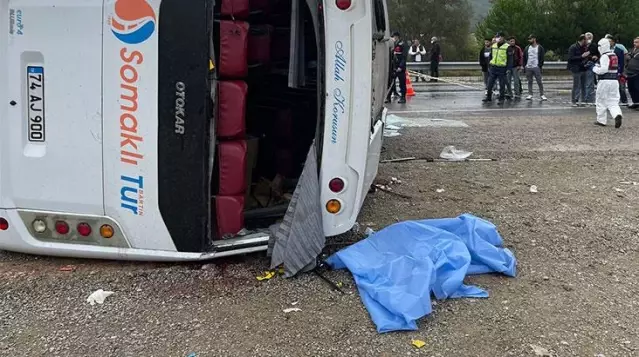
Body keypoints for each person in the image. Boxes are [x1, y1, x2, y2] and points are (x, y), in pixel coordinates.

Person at [592, 38, 622, 128]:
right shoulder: (614, 55)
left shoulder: (605, 56)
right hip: (614, 81)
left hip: (604, 81)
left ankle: (601, 120)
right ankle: (617, 114)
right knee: (613, 101)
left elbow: (603, 70)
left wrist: (593, 68)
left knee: (601, 101)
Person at [483, 33, 509, 104]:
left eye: (499, 37)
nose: (498, 38)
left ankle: (501, 99)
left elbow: (510, 59)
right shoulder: (494, 46)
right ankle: (488, 98)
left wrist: (508, 69)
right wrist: (490, 65)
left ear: (503, 38)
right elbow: (491, 56)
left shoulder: (507, 46)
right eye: (497, 37)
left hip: (502, 68)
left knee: (502, 84)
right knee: (490, 84)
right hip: (493, 67)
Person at [386, 31, 408, 104]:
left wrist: (401, 67)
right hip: (393, 66)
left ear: (397, 37)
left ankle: (403, 97)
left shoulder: (402, 45)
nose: (394, 38)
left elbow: (404, 57)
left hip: (400, 67)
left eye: (395, 37)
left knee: (402, 83)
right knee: (390, 82)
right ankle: (388, 97)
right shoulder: (392, 45)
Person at [523, 34, 547, 101]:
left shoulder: (540, 47)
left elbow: (542, 57)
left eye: (530, 39)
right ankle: (530, 94)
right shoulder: (527, 48)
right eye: (529, 39)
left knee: (539, 81)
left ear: (534, 39)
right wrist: (525, 65)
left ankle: (542, 94)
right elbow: (524, 57)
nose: (529, 40)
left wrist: (539, 66)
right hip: (528, 67)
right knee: (529, 81)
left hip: (536, 67)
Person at [567, 34, 589, 106]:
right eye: (586, 40)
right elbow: (570, 58)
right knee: (576, 85)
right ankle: (574, 100)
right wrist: (581, 56)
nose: (587, 41)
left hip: (583, 68)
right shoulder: (573, 47)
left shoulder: (585, 47)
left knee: (584, 85)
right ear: (583, 40)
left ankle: (583, 101)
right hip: (576, 69)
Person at [606, 35, 628, 105]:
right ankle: (613, 101)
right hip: (609, 71)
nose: (608, 43)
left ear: (613, 42)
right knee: (611, 88)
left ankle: (624, 100)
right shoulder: (606, 50)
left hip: (618, 70)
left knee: (621, 87)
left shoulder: (619, 50)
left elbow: (621, 62)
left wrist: (620, 71)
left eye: (609, 41)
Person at [584, 32, 600, 104]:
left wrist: (595, 57)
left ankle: (589, 98)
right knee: (584, 83)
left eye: (590, 37)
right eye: (587, 37)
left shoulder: (594, 45)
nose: (588, 39)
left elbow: (597, 54)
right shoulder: (582, 45)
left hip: (591, 64)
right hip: (583, 65)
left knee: (590, 83)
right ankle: (585, 97)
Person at [625, 37, 639, 109]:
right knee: (631, 88)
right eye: (634, 42)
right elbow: (628, 56)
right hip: (630, 72)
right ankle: (635, 102)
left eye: (637, 42)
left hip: (637, 72)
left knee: (637, 88)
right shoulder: (632, 50)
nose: (635, 44)